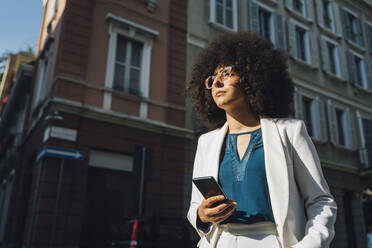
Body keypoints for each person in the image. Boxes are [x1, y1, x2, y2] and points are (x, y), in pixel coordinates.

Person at [186, 32, 337, 248]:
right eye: (212, 78)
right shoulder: (206, 143)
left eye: (227, 73)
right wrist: (202, 214)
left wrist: (308, 245)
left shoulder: (290, 132)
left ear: (251, 77)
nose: (217, 81)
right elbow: (194, 208)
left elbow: (321, 201)